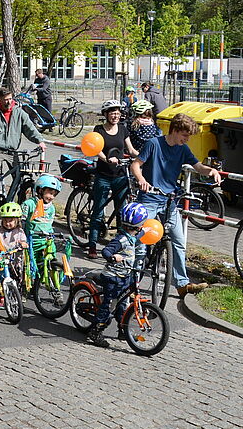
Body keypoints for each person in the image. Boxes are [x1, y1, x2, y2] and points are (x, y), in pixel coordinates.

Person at [130, 113, 220, 298]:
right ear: (175, 130)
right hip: (149, 199)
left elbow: (198, 167)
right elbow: (136, 165)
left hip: (169, 200)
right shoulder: (153, 144)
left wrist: (211, 171)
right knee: (141, 244)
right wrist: (141, 180)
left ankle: (182, 284)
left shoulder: (183, 149)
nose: (187, 139)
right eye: (185, 135)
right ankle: (133, 286)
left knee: (178, 242)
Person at [86, 203, 149, 348]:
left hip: (125, 276)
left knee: (123, 304)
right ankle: (95, 331)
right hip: (113, 277)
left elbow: (137, 237)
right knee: (109, 305)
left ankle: (123, 330)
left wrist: (147, 231)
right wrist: (113, 257)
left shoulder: (132, 236)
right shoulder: (120, 240)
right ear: (138, 225)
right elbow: (106, 251)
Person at [87, 100, 139, 259]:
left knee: (122, 211)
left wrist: (142, 156)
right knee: (98, 211)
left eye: (118, 113)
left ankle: (118, 244)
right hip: (104, 175)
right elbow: (96, 150)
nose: (116, 116)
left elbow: (130, 149)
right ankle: (93, 245)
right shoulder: (99, 130)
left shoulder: (123, 129)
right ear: (106, 114)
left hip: (121, 176)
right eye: (112, 112)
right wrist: (106, 159)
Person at [0, 88, 44, 196]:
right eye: (5, 99)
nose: (8, 102)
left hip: (12, 150)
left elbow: (29, 128)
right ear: (0, 100)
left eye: (10, 99)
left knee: (19, 175)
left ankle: (15, 199)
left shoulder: (19, 113)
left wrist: (39, 141)